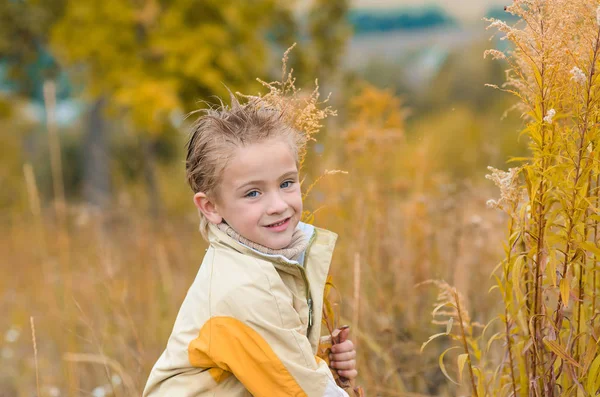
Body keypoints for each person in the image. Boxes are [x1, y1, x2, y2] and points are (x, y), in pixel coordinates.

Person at [143, 95, 358, 396]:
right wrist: (320, 380)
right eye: (253, 193)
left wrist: (321, 360)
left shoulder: (263, 261)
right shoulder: (244, 287)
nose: (278, 205)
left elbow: (270, 360)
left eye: (286, 183)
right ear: (211, 207)